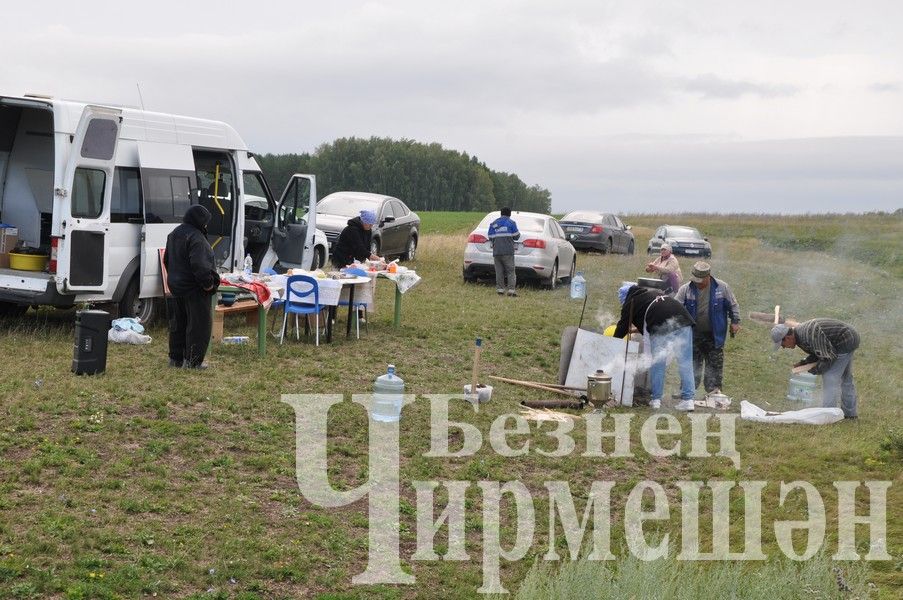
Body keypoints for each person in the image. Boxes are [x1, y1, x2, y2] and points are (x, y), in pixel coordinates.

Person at [614, 283, 696, 411]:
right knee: (685, 361)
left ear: (625, 298)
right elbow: (647, 320)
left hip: (661, 323)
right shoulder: (652, 293)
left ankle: (656, 399)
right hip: (683, 320)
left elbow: (622, 328)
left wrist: (612, 342)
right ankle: (688, 400)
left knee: (657, 362)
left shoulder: (631, 303)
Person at [164, 205, 220, 369]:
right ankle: (193, 362)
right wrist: (208, 285)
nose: (207, 226)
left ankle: (176, 359)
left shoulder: (174, 234)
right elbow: (201, 267)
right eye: (206, 222)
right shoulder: (197, 238)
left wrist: (175, 279)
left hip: (176, 287)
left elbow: (167, 260)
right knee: (198, 326)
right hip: (195, 289)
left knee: (178, 325)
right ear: (200, 221)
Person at [675, 261, 741, 397]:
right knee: (692, 364)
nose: (698, 283)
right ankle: (687, 391)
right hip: (693, 334)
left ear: (708, 276)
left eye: (700, 281)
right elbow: (676, 307)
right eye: (695, 280)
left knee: (715, 365)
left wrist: (735, 321)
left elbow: (733, 306)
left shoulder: (722, 288)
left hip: (714, 334)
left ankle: (714, 392)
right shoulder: (685, 289)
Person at [771, 319, 860, 418]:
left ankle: (829, 415)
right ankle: (850, 415)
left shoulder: (808, 335)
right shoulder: (799, 337)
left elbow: (828, 357)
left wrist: (815, 370)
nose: (783, 347)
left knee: (829, 377)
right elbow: (819, 351)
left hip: (845, 339)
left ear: (787, 338)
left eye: (782, 344)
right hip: (845, 338)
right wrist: (804, 363)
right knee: (845, 378)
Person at [488, 207, 520, 296]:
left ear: (501, 213)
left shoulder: (494, 224)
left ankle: (500, 290)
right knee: (510, 271)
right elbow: (517, 236)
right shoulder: (511, 223)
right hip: (508, 252)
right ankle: (511, 290)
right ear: (509, 214)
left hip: (497, 251)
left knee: (499, 271)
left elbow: (490, 236)